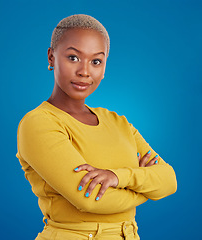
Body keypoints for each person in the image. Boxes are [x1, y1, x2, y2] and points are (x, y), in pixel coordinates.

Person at [16, 14, 177, 240]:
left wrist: (118, 177)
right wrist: (146, 189)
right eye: (73, 58)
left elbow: (169, 179)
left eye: (96, 61)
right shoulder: (39, 123)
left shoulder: (118, 122)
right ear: (52, 57)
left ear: (104, 67)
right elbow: (89, 199)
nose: (84, 71)